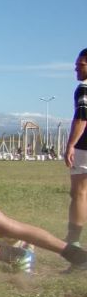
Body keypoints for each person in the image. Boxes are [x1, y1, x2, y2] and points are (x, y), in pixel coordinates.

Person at [64, 48, 87, 247]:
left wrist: (71, 145)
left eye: (81, 65)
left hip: (84, 147)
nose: (76, 69)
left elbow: (81, 117)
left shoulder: (84, 88)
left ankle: (73, 241)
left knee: (79, 192)